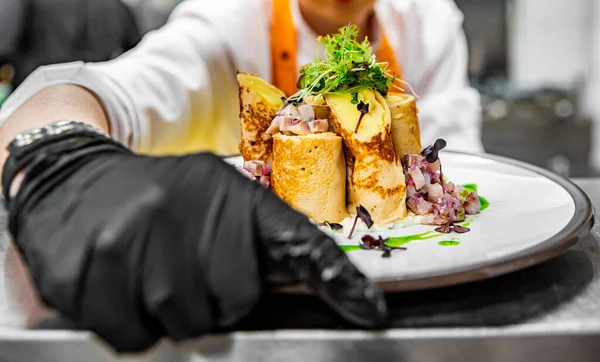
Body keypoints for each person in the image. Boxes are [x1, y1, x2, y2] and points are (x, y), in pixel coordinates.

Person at [0, 0, 482, 353]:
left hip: (421, 310)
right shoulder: (226, 19)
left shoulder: (429, 22)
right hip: (237, 312)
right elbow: (85, 91)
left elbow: (461, 164)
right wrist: (58, 162)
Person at [0, 0, 141, 89]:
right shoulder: (117, 7)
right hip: (92, 101)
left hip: (34, 97)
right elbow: (135, 58)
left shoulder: (26, 3)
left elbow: (4, 46)